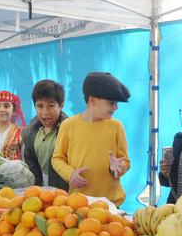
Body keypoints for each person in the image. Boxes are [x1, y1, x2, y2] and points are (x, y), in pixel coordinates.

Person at [51, 72, 130, 206]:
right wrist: (70, 174)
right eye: (111, 103)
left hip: (111, 204)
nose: (116, 107)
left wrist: (118, 167)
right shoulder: (68, 125)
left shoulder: (116, 126)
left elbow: (125, 160)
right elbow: (57, 158)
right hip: (79, 203)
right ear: (92, 100)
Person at [22, 80, 69, 190]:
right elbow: (32, 169)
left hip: (64, 194)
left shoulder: (69, 131)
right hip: (41, 192)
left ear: (61, 106)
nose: (45, 112)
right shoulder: (29, 133)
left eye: (51, 106)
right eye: (40, 106)